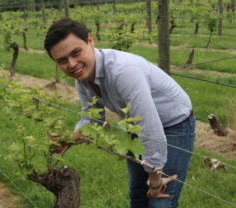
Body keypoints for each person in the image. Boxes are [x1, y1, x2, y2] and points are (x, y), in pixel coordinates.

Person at [44, 18, 195, 208]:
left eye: (76, 52)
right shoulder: (82, 78)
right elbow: (92, 119)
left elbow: (150, 129)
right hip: (135, 124)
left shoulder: (123, 71)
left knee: (159, 200)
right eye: (62, 60)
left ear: (90, 41)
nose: (72, 64)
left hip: (175, 124)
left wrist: (155, 180)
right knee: (138, 194)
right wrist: (67, 140)